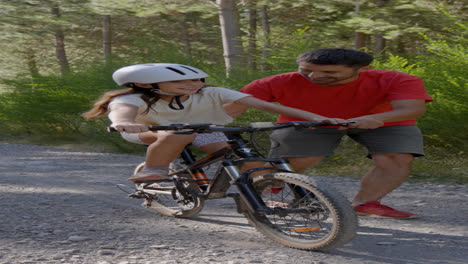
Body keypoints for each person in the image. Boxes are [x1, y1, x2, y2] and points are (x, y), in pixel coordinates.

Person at [235, 48, 433, 219]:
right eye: (306, 70)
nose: (314, 77)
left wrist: (376, 118)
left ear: (363, 69)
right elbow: (233, 106)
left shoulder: (398, 79)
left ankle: (365, 203)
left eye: (330, 72)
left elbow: (412, 109)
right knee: (298, 160)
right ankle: (267, 189)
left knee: (397, 159)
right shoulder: (277, 82)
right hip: (309, 121)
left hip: (381, 120)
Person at [83, 63, 343, 182]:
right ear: (144, 84)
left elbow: (266, 105)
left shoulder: (211, 92)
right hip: (153, 132)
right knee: (179, 135)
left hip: (204, 128)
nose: (194, 86)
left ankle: (255, 197)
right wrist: (124, 123)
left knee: (248, 160)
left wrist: (316, 118)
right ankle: (153, 168)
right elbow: (121, 112)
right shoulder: (136, 97)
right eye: (182, 83)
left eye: (197, 80)